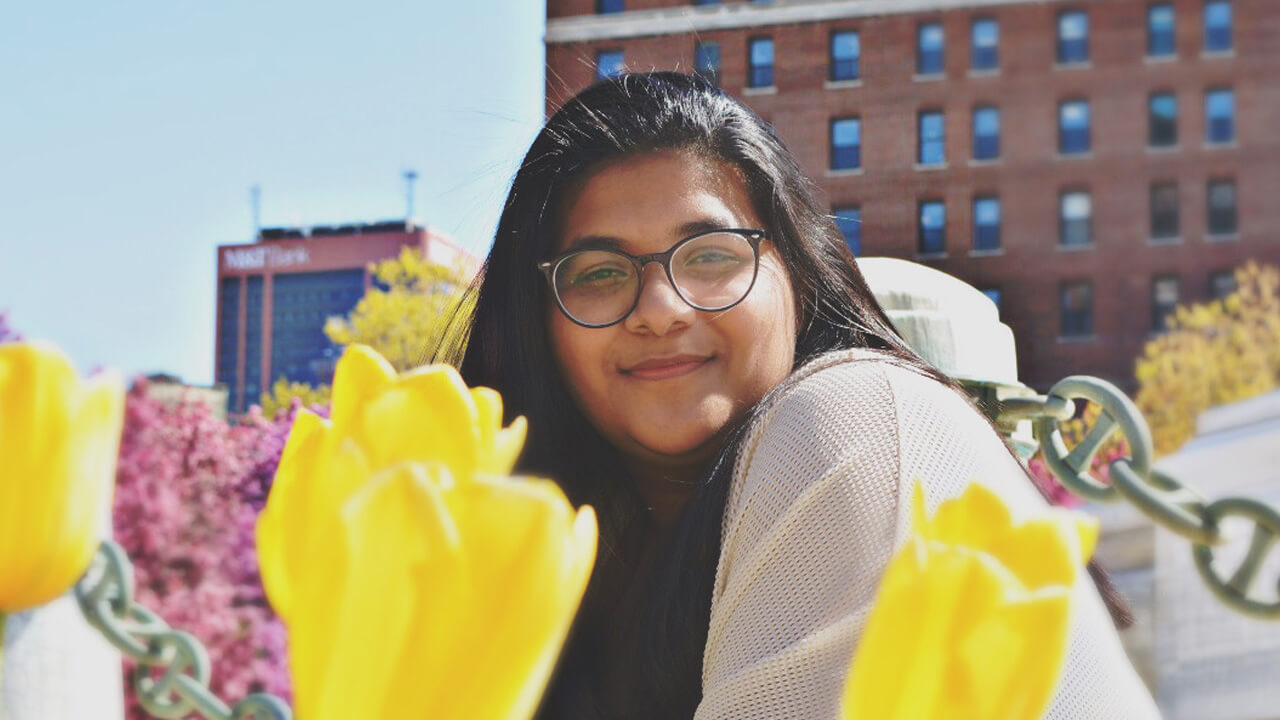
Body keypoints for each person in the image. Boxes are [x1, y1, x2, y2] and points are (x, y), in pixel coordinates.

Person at [451, 72, 1158, 719]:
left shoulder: (850, 418)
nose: (660, 308)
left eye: (710, 256)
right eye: (599, 273)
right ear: (533, 322)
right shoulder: (586, 553)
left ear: (798, 273)